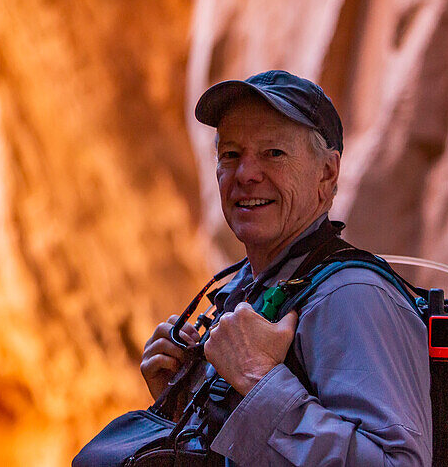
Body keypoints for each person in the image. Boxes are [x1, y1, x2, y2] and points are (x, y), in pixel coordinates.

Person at [140, 70, 433, 465]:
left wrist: (258, 380)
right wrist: (181, 401)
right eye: (230, 154)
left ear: (327, 173)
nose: (246, 174)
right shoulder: (250, 288)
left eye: (273, 153)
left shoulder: (353, 297)